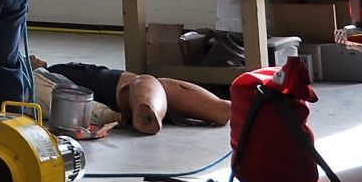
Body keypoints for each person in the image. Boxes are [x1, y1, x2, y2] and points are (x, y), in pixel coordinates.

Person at [35, 58, 232, 134]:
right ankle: (146, 108)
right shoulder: (38, 76)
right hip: (87, 89)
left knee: (157, 86)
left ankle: (221, 108)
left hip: (93, 92)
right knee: (140, 83)